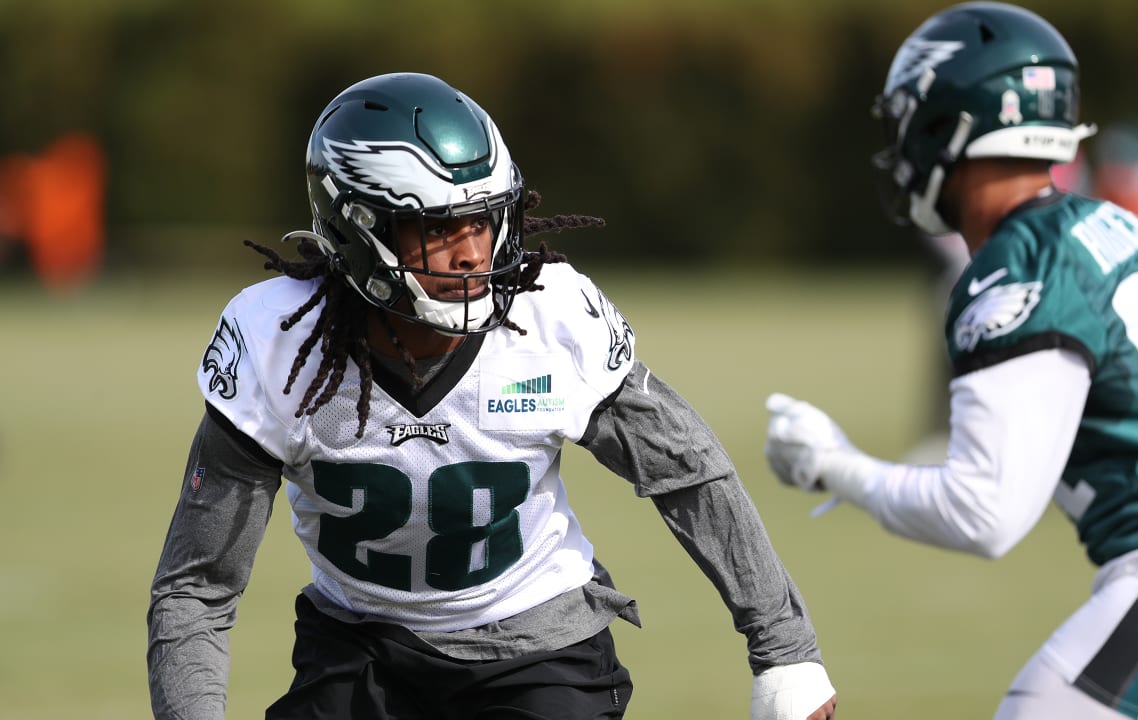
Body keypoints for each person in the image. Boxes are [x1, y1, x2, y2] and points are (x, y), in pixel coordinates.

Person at [147, 72, 838, 720]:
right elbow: (197, 588)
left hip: (539, 648)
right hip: (360, 647)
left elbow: (686, 470)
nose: (474, 252)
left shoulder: (549, 319)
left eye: (481, 220)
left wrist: (785, 648)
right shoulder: (279, 345)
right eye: (441, 227)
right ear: (359, 231)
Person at [764, 3, 1138, 718]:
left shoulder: (1018, 271)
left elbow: (985, 513)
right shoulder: (1116, 226)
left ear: (952, 123)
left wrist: (836, 466)